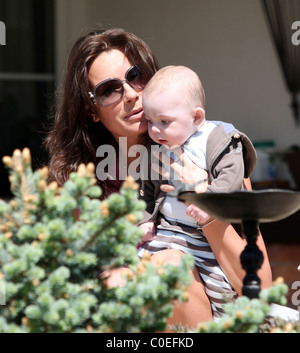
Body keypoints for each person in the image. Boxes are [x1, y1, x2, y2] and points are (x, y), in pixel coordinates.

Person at [45, 27, 272, 329]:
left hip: (215, 323)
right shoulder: (82, 184)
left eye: (136, 75)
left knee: (170, 265)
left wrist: (206, 204)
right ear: (91, 110)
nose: (130, 95)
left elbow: (261, 289)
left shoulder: (214, 155)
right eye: (108, 90)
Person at [137, 65, 257, 319]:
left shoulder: (216, 140)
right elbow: (146, 188)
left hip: (203, 237)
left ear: (196, 118)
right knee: (136, 268)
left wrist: (209, 198)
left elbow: (232, 175)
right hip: (167, 229)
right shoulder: (161, 145)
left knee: (219, 287)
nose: (155, 129)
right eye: (150, 121)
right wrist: (145, 219)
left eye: (164, 121)